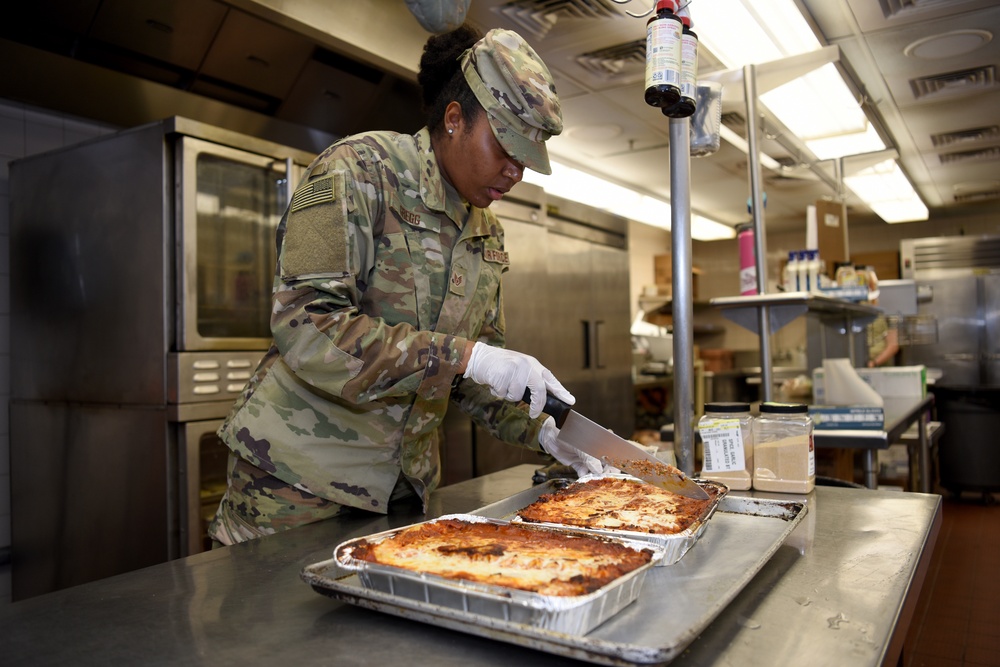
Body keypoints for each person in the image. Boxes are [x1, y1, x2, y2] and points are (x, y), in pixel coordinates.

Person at [208, 25, 599, 546]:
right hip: (293, 487)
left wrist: (545, 429)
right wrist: (466, 356)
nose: (515, 172)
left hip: (401, 491)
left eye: (526, 159)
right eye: (506, 145)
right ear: (455, 120)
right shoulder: (359, 171)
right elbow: (307, 325)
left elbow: (479, 374)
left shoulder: (486, 231)